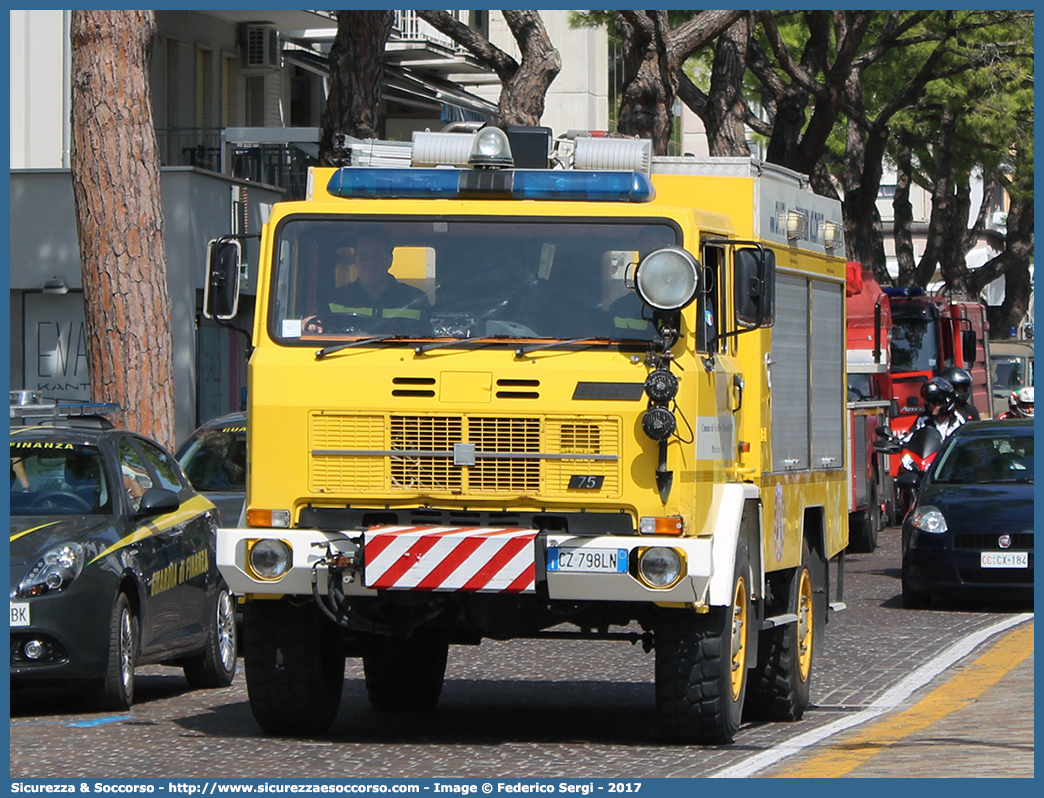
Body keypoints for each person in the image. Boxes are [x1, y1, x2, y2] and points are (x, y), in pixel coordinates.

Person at [303, 229, 430, 334]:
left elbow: (431, 338)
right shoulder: (334, 299)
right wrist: (309, 326)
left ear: (389, 260)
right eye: (364, 256)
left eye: (377, 256)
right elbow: (317, 328)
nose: (370, 263)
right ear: (355, 260)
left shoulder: (416, 299)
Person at [903, 377, 966, 442]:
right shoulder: (923, 420)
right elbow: (911, 437)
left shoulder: (959, 420)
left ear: (947, 402)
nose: (931, 406)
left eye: (936, 402)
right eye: (928, 402)